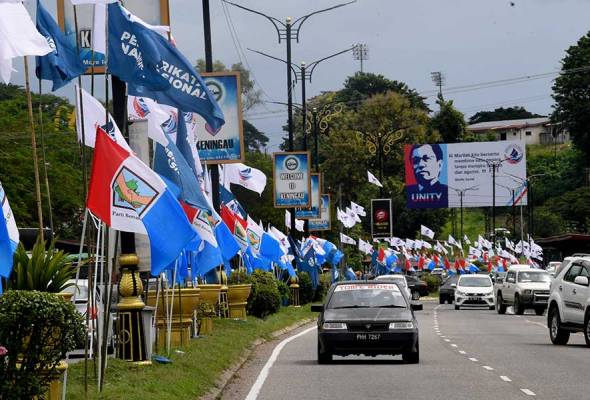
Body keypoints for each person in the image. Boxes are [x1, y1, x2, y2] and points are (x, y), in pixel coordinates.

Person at [406, 144, 448, 208]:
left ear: (439, 165)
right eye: (415, 160)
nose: (421, 164)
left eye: (426, 158)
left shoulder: (449, 192)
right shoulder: (408, 192)